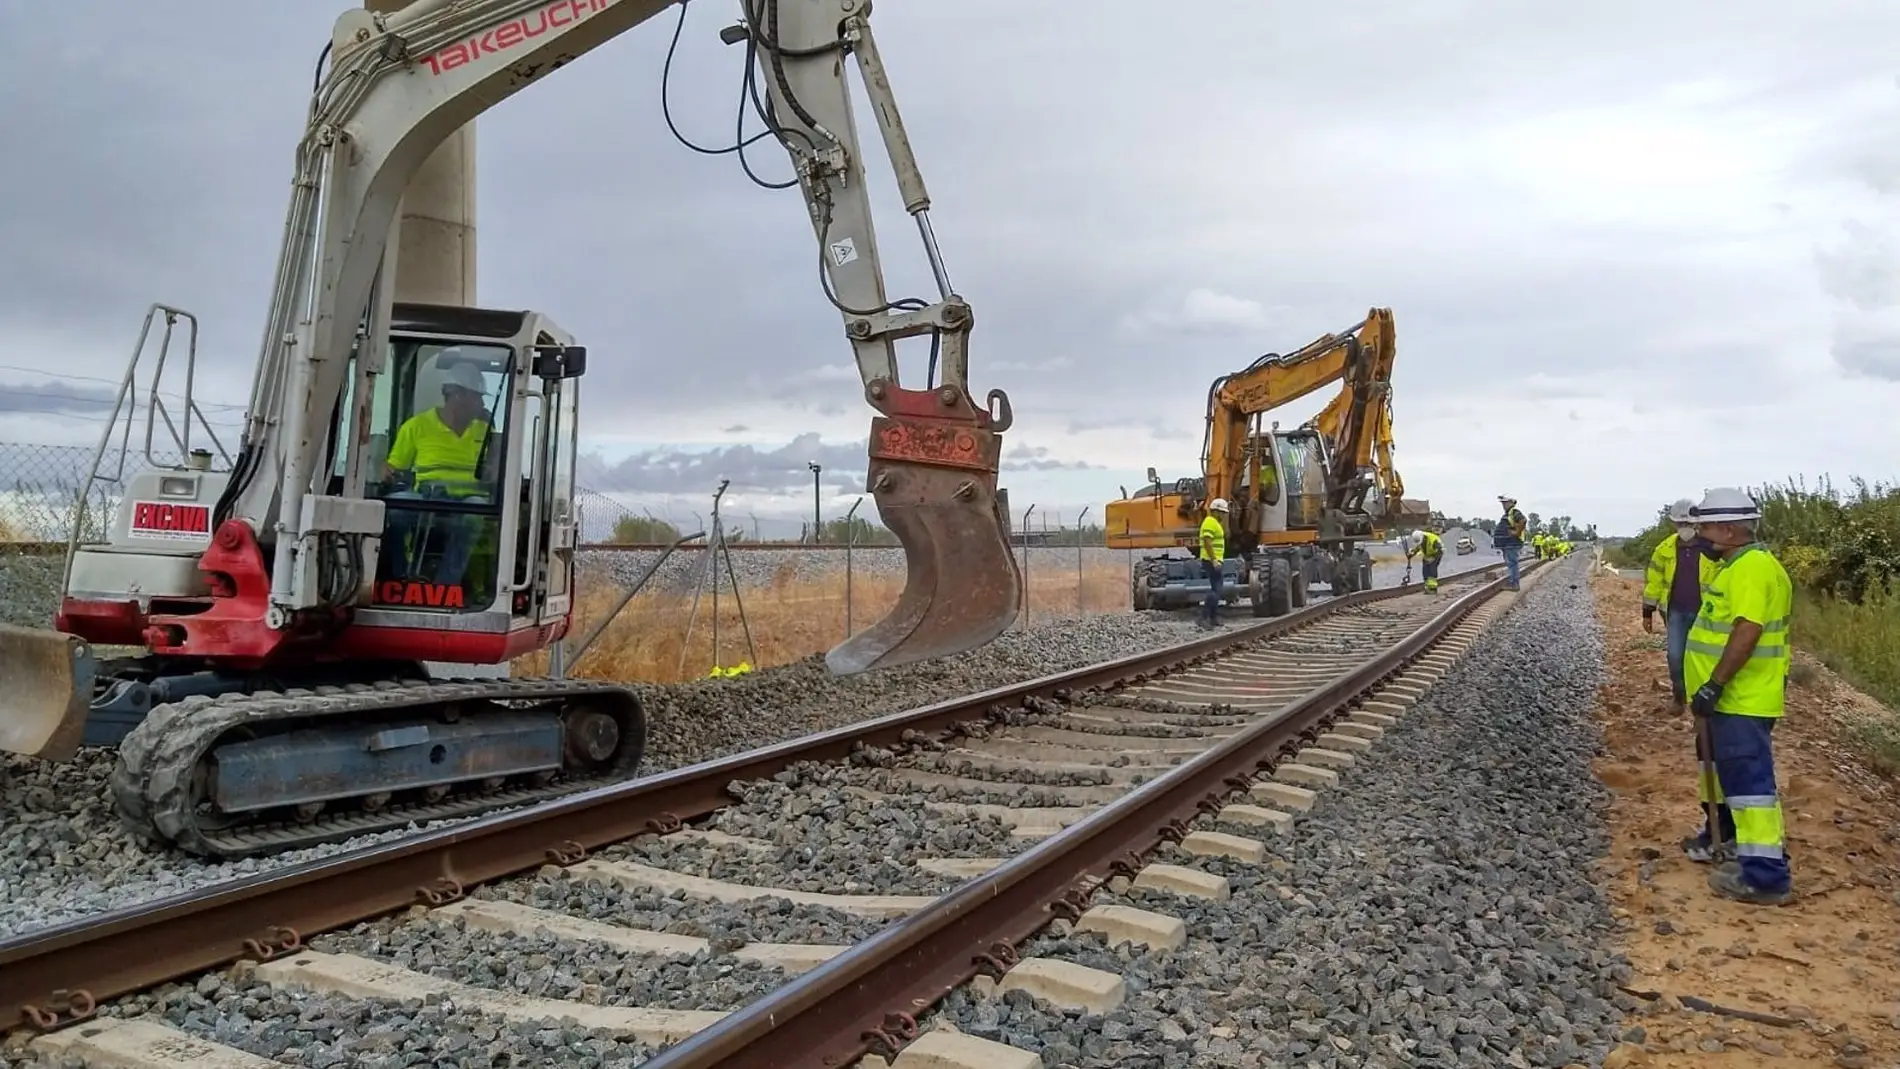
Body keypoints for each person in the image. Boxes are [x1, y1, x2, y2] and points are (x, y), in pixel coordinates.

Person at [1681, 487, 1795, 905]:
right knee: (1729, 780)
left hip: (1741, 699)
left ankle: (1765, 877)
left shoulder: (1752, 569)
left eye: (1706, 527)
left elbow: (1748, 629)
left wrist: (1715, 683)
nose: (1701, 536)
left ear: (1729, 529)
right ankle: (1730, 843)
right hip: (1729, 700)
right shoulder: (1735, 565)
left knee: (1751, 788)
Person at [381, 359, 496, 588]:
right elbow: (392, 467)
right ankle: (401, 577)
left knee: (473, 516)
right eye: (477, 396)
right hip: (426, 497)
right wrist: (388, 474)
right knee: (392, 510)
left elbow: (494, 471)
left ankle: (445, 586)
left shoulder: (486, 431)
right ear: (457, 396)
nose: (481, 403)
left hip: (469, 499)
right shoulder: (416, 427)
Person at [1644, 498, 1718, 719]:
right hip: (1674, 611)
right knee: (1675, 656)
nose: (1685, 529)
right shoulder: (1664, 549)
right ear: (1674, 524)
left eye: (1688, 524)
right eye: (1680, 524)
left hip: (1705, 613)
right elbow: (1654, 581)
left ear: (1697, 524)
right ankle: (1679, 696)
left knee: (1702, 658)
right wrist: (1647, 611)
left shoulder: (1712, 550)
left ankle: (1702, 701)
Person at [1199, 498, 1229, 629]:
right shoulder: (1210, 522)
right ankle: (1203, 618)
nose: (1223, 515)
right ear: (1215, 511)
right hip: (1211, 561)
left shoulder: (1214, 522)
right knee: (1216, 590)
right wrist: (1214, 560)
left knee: (1217, 588)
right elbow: (1207, 541)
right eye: (1221, 512)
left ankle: (1213, 617)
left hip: (1214, 560)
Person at [1492, 495, 1528, 589]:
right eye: (1503, 503)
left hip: (1512, 543)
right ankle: (1513, 582)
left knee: (1512, 563)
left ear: (1512, 503)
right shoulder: (1508, 514)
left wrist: (1516, 532)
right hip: (1507, 544)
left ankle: (1513, 584)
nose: (1504, 505)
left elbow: (1523, 521)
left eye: (1506, 503)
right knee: (1511, 563)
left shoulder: (1514, 512)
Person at [1407, 525, 1444, 593]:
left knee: (1432, 570)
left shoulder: (1433, 540)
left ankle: (1432, 589)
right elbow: (1418, 547)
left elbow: (1441, 551)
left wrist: (1433, 558)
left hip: (1436, 554)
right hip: (1427, 555)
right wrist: (1412, 554)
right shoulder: (1420, 538)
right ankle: (1427, 588)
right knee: (1425, 571)